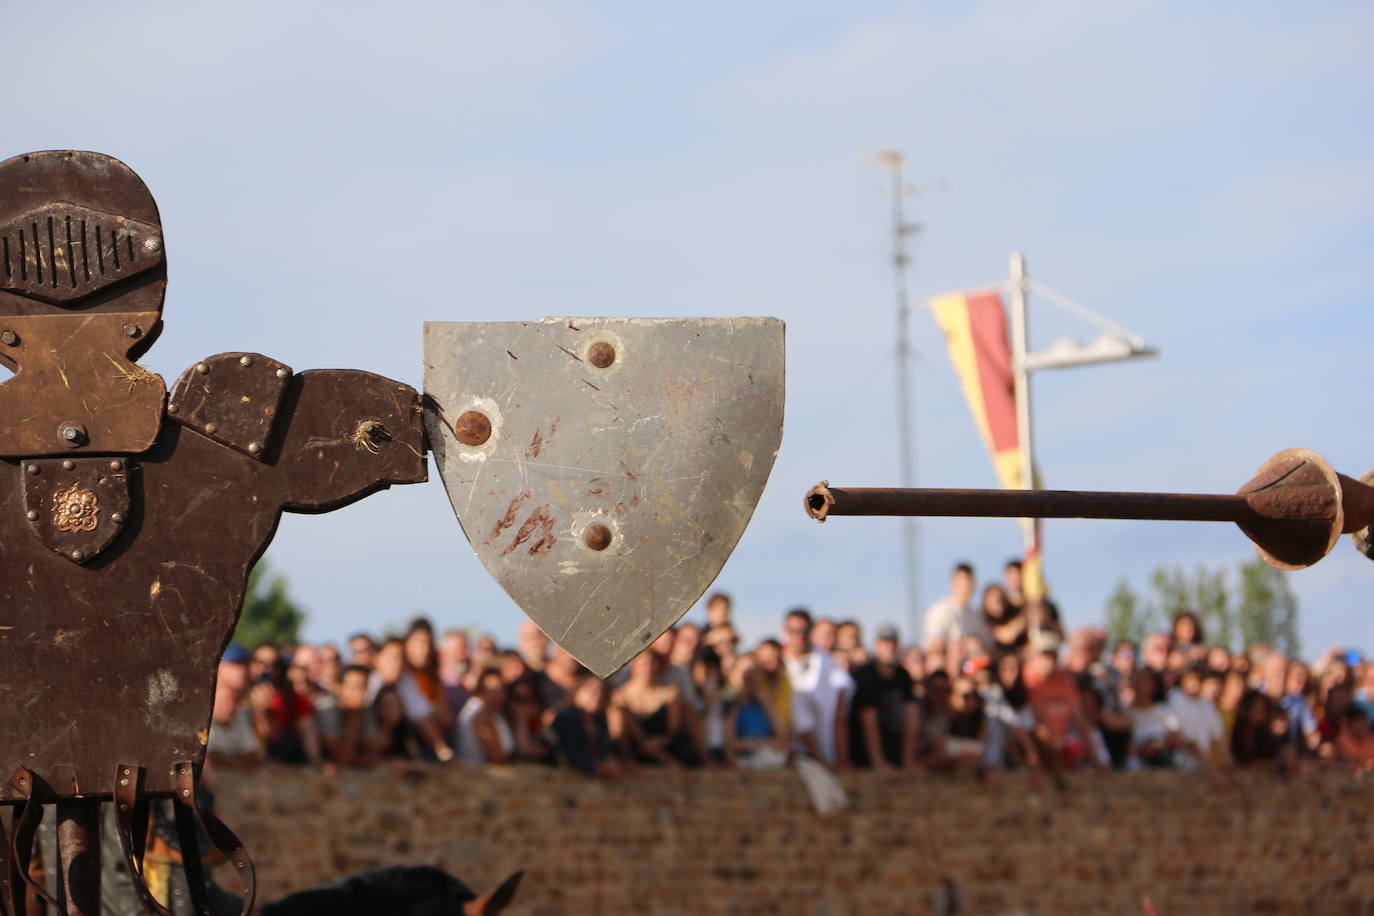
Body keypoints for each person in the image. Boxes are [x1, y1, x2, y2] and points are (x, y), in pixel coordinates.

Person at [782, 608, 851, 767]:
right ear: (785, 630)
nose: (799, 636)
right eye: (794, 631)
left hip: (825, 755)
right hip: (788, 755)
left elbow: (838, 713)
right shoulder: (775, 662)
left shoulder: (826, 662)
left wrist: (842, 759)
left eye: (803, 631)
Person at [847, 624, 918, 773]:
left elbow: (911, 714)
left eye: (893, 643)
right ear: (877, 645)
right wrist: (878, 762)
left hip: (893, 748)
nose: (889, 648)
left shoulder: (903, 675)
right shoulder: (866, 674)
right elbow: (868, 718)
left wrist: (908, 760)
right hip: (865, 754)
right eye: (885, 643)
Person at [612, 650, 686, 767]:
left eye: (652, 663)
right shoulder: (619, 696)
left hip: (664, 748)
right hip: (633, 753)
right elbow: (620, 733)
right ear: (633, 665)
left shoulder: (670, 693)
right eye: (643, 664)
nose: (648, 668)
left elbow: (673, 730)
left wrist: (661, 741)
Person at [550, 677, 625, 778]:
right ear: (577, 693)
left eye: (602, 693)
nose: (598, 696)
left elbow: (604, 750)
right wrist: (596, 766)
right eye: (592, 692)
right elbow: (569, 754)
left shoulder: (599, 720)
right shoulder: (567, 719)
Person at [923, 563, 988, 675]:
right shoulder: (941, 610)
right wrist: (963, 645)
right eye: (961, 582)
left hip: (971, 667)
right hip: (946, 665)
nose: (965, 587)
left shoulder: (976, 615)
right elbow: (935, 645)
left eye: (969, 582)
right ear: (952, 584)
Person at [725, 659, 788, 769]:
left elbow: (782, 738)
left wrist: (766, 703)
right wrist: (764, 745)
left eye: (754, 672)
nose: (750, 678)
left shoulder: (766, 701)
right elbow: (730, 743)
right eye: (745, 672)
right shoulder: (732, 703)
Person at [207, 645, 262, 769]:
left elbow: (251, 753)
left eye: (244, 665)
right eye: (235, 665)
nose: (241, 671)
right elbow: (206, 756)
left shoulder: (240, 711)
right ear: (219, 666)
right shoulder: (203, 708)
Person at [319, 665, 379, 768]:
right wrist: (356, 718)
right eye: (356, 687)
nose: (362, 692)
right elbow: (342, 759)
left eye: (365, 686)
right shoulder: (327, 709)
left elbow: (371, 755)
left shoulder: (366, 709)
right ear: (338, 688)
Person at [1168, 666, 1227, 769]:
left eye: (1196, 679)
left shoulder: (1207, 704)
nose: (1193, 683)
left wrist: (1228, 763)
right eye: (1189, 679)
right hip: (1179, 764)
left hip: (1201, 767)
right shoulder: (1174, 698)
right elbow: (1176, 734)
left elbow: (1218, 737)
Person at [456, 669, 515, 765]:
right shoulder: (481, 717)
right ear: (481, 690)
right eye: (493, 690)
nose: (499, 694)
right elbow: (496, 758)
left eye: (500, 689)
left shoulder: (491, 712)